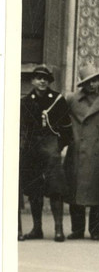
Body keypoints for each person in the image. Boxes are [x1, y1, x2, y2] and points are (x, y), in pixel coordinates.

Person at [19, 64, 72, 241]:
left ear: (49, 82)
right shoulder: (25, 102)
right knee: (34, 189)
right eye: (38, 78)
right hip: (32, 149)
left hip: (51, 148)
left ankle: (58, 229)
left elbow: (66, 128)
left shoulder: (57, 99)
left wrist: (58, 146)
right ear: (33, 81)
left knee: (55, 188)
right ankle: (37, 229)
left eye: (46, 79)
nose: (42, 81)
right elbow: (23, 128)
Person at [64, 64, 99, 240]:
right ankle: (77, 230)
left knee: (98, 193)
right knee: (75, 193)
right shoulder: (71, 99)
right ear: (82, 83)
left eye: (95, 80)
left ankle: (95, 231)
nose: (93, 84)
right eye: (88, 81)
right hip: (78, 150)